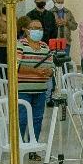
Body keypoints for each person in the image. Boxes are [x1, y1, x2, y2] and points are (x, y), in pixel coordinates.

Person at [16, 16, 56, 155]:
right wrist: (35, 70)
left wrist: (49, 71)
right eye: (34, 28)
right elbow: (16, 66)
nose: (37, 31)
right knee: (22, 119)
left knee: (37, 120)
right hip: (23, 89)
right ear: (26, 30)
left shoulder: (45, 46)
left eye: (40, 28)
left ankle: (33, 148)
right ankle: (20, 148)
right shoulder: (20, 44)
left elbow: (51, 66)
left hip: (40, 89)